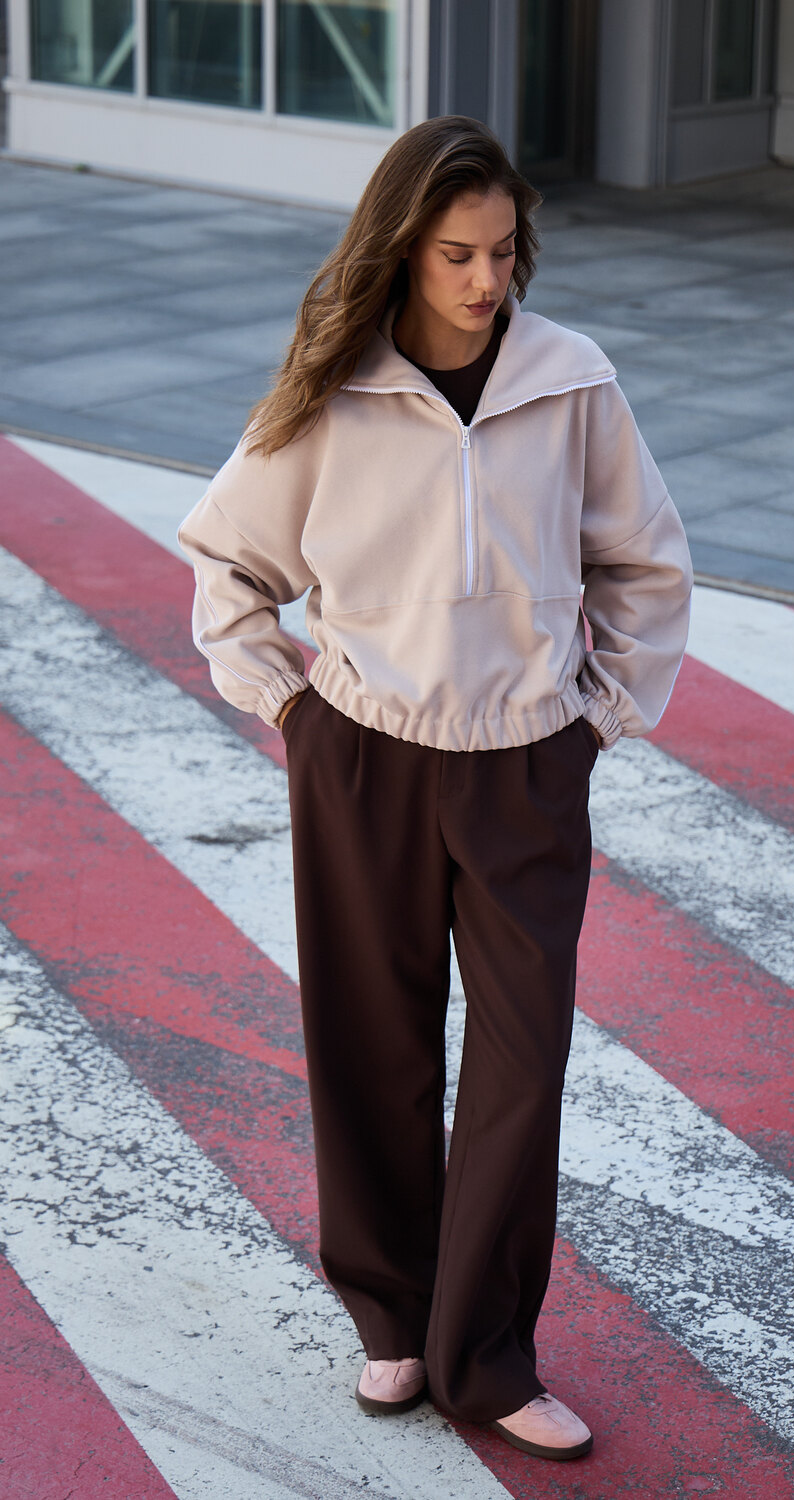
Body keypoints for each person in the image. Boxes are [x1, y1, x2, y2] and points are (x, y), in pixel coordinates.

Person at [178, 114, 692, 1463]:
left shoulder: (571, 382)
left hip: (527, 765)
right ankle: (393, 1321)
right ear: (403, 248)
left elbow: (647, 563)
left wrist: (595, 724)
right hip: (365, 756)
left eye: (503, 251)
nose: (484, 279)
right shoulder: (335, 390)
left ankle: (488, 1356)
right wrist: (290, 709)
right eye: (458, 253)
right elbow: (229, 563)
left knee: (524, 1061)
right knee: (373, 1046)